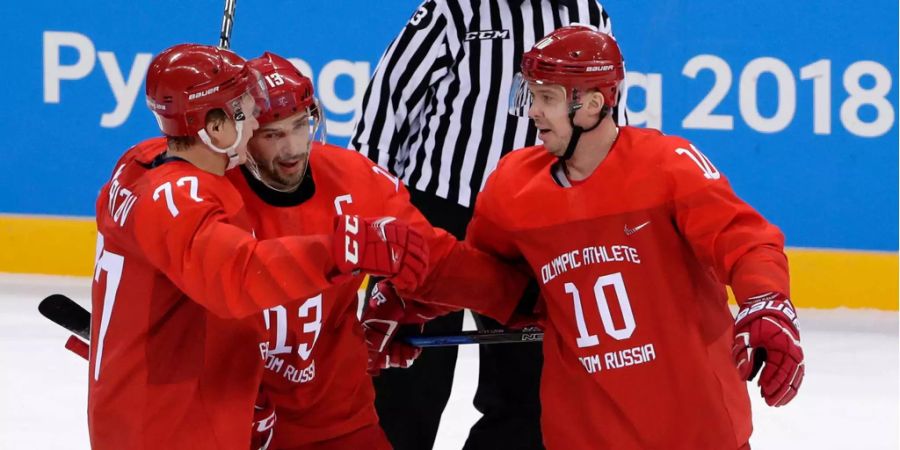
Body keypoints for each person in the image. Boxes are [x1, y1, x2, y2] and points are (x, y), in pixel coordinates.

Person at [369, 26, 806, 449]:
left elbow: (744, 239)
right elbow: (488, 278)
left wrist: (766, 299)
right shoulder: (513, 188)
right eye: (532, 95)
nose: (532, 111)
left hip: (694, 429)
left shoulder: (668, 167)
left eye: (547, 98)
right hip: (582, 434)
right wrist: (413, 299)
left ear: (594, 104)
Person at [89, 43, 428, 450]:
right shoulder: (180, 197)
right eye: (249, 115)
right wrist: (342, 250)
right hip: (173, 423)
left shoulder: (139, 166)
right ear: (215, 127)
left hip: (146, 410)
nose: (251, 127)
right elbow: (236, 276)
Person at [351, 1, 624, 448]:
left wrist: (597, 217)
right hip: (437, 215)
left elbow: (606, 117)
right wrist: (369, 221)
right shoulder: (455, 9)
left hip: (536, 224)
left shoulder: (587, 11)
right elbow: (388, 105)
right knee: (405, 381)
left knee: (529, 391)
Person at [227, 51, 532, 450]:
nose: (292, 149)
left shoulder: (352, 178)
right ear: (242, 134)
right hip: (235, 423)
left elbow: (437, 262)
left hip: (338, 420)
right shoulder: (211, 194)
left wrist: (529, 300)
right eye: (273, 135)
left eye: (300, 126)